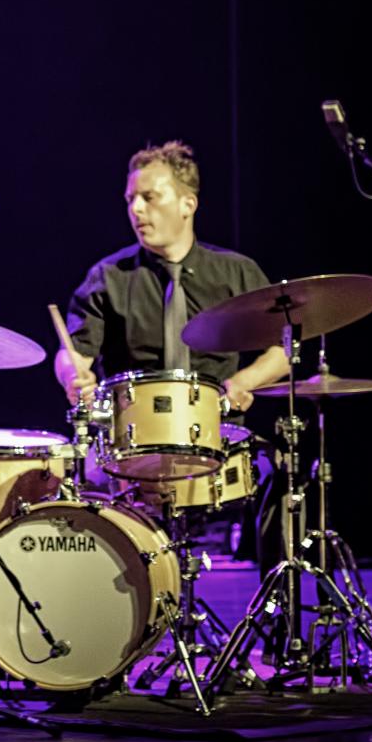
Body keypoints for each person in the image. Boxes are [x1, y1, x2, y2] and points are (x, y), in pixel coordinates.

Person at [55, 141, 291, 563]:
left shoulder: (235, 272)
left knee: (280, 476)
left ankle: (272, 618)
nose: (137, 210)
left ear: (187, 203)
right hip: (131, 443)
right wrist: (73, 376)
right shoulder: (109, 276)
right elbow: (74, 354)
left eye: (150, 197)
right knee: (76, 483)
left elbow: (283, 349)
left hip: (217, 437)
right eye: (131, 200)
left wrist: (243, 382)